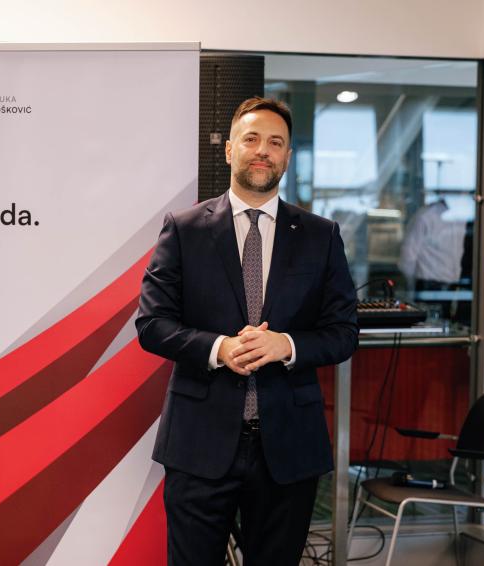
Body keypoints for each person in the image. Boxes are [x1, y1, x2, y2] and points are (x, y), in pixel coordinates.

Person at [136, 97, 358, 565]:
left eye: (275, 143)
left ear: (287, 157)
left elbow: (343, 332)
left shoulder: (320, 235)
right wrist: (218, 348)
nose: (263, 150)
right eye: (252, 139)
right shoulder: (184, 229)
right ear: (229, 149)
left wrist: (287, 345)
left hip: (289, 447)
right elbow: (152, 324)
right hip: (199, 444)